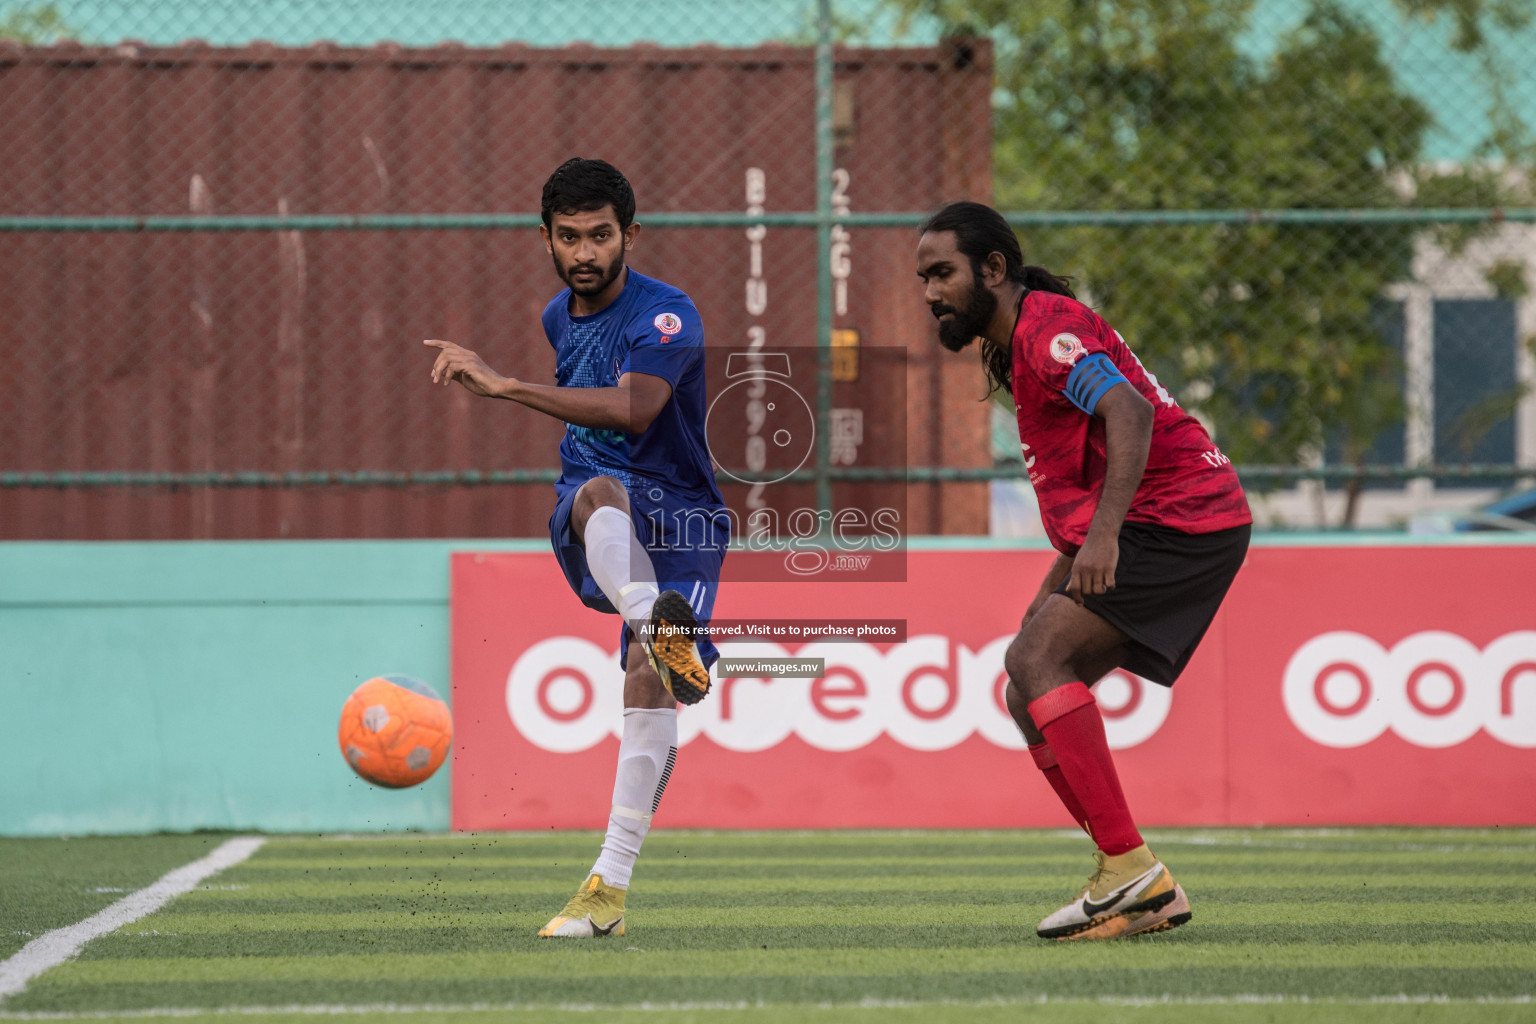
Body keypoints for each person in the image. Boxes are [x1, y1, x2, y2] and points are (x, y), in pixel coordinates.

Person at [915, 201, 1251, 941]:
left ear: (993, 270)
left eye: (942, 273)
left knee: (1036, 658)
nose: (930, 292)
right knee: (1023, 686)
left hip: (1178, 516)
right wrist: (1063, 571)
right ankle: (1128, 877)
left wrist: (1102, 540)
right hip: (1162, 520)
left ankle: (1131, 869)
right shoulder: (1017, 340)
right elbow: (1090, 464)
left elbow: (1127, 412)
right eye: (923, 278)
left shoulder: (1044, 329)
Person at [425, 158, 728, 938]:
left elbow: (635, 409)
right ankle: (656, 625)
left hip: (683, 520)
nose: (585, 251)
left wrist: (503, 385)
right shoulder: (558, 315)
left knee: (644, 675)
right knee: (599, 492)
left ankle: (607, 892)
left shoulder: (669, 316)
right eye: (569, 237)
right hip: (596, 513)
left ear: (631, 235)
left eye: (601, 235)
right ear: (546, 240)